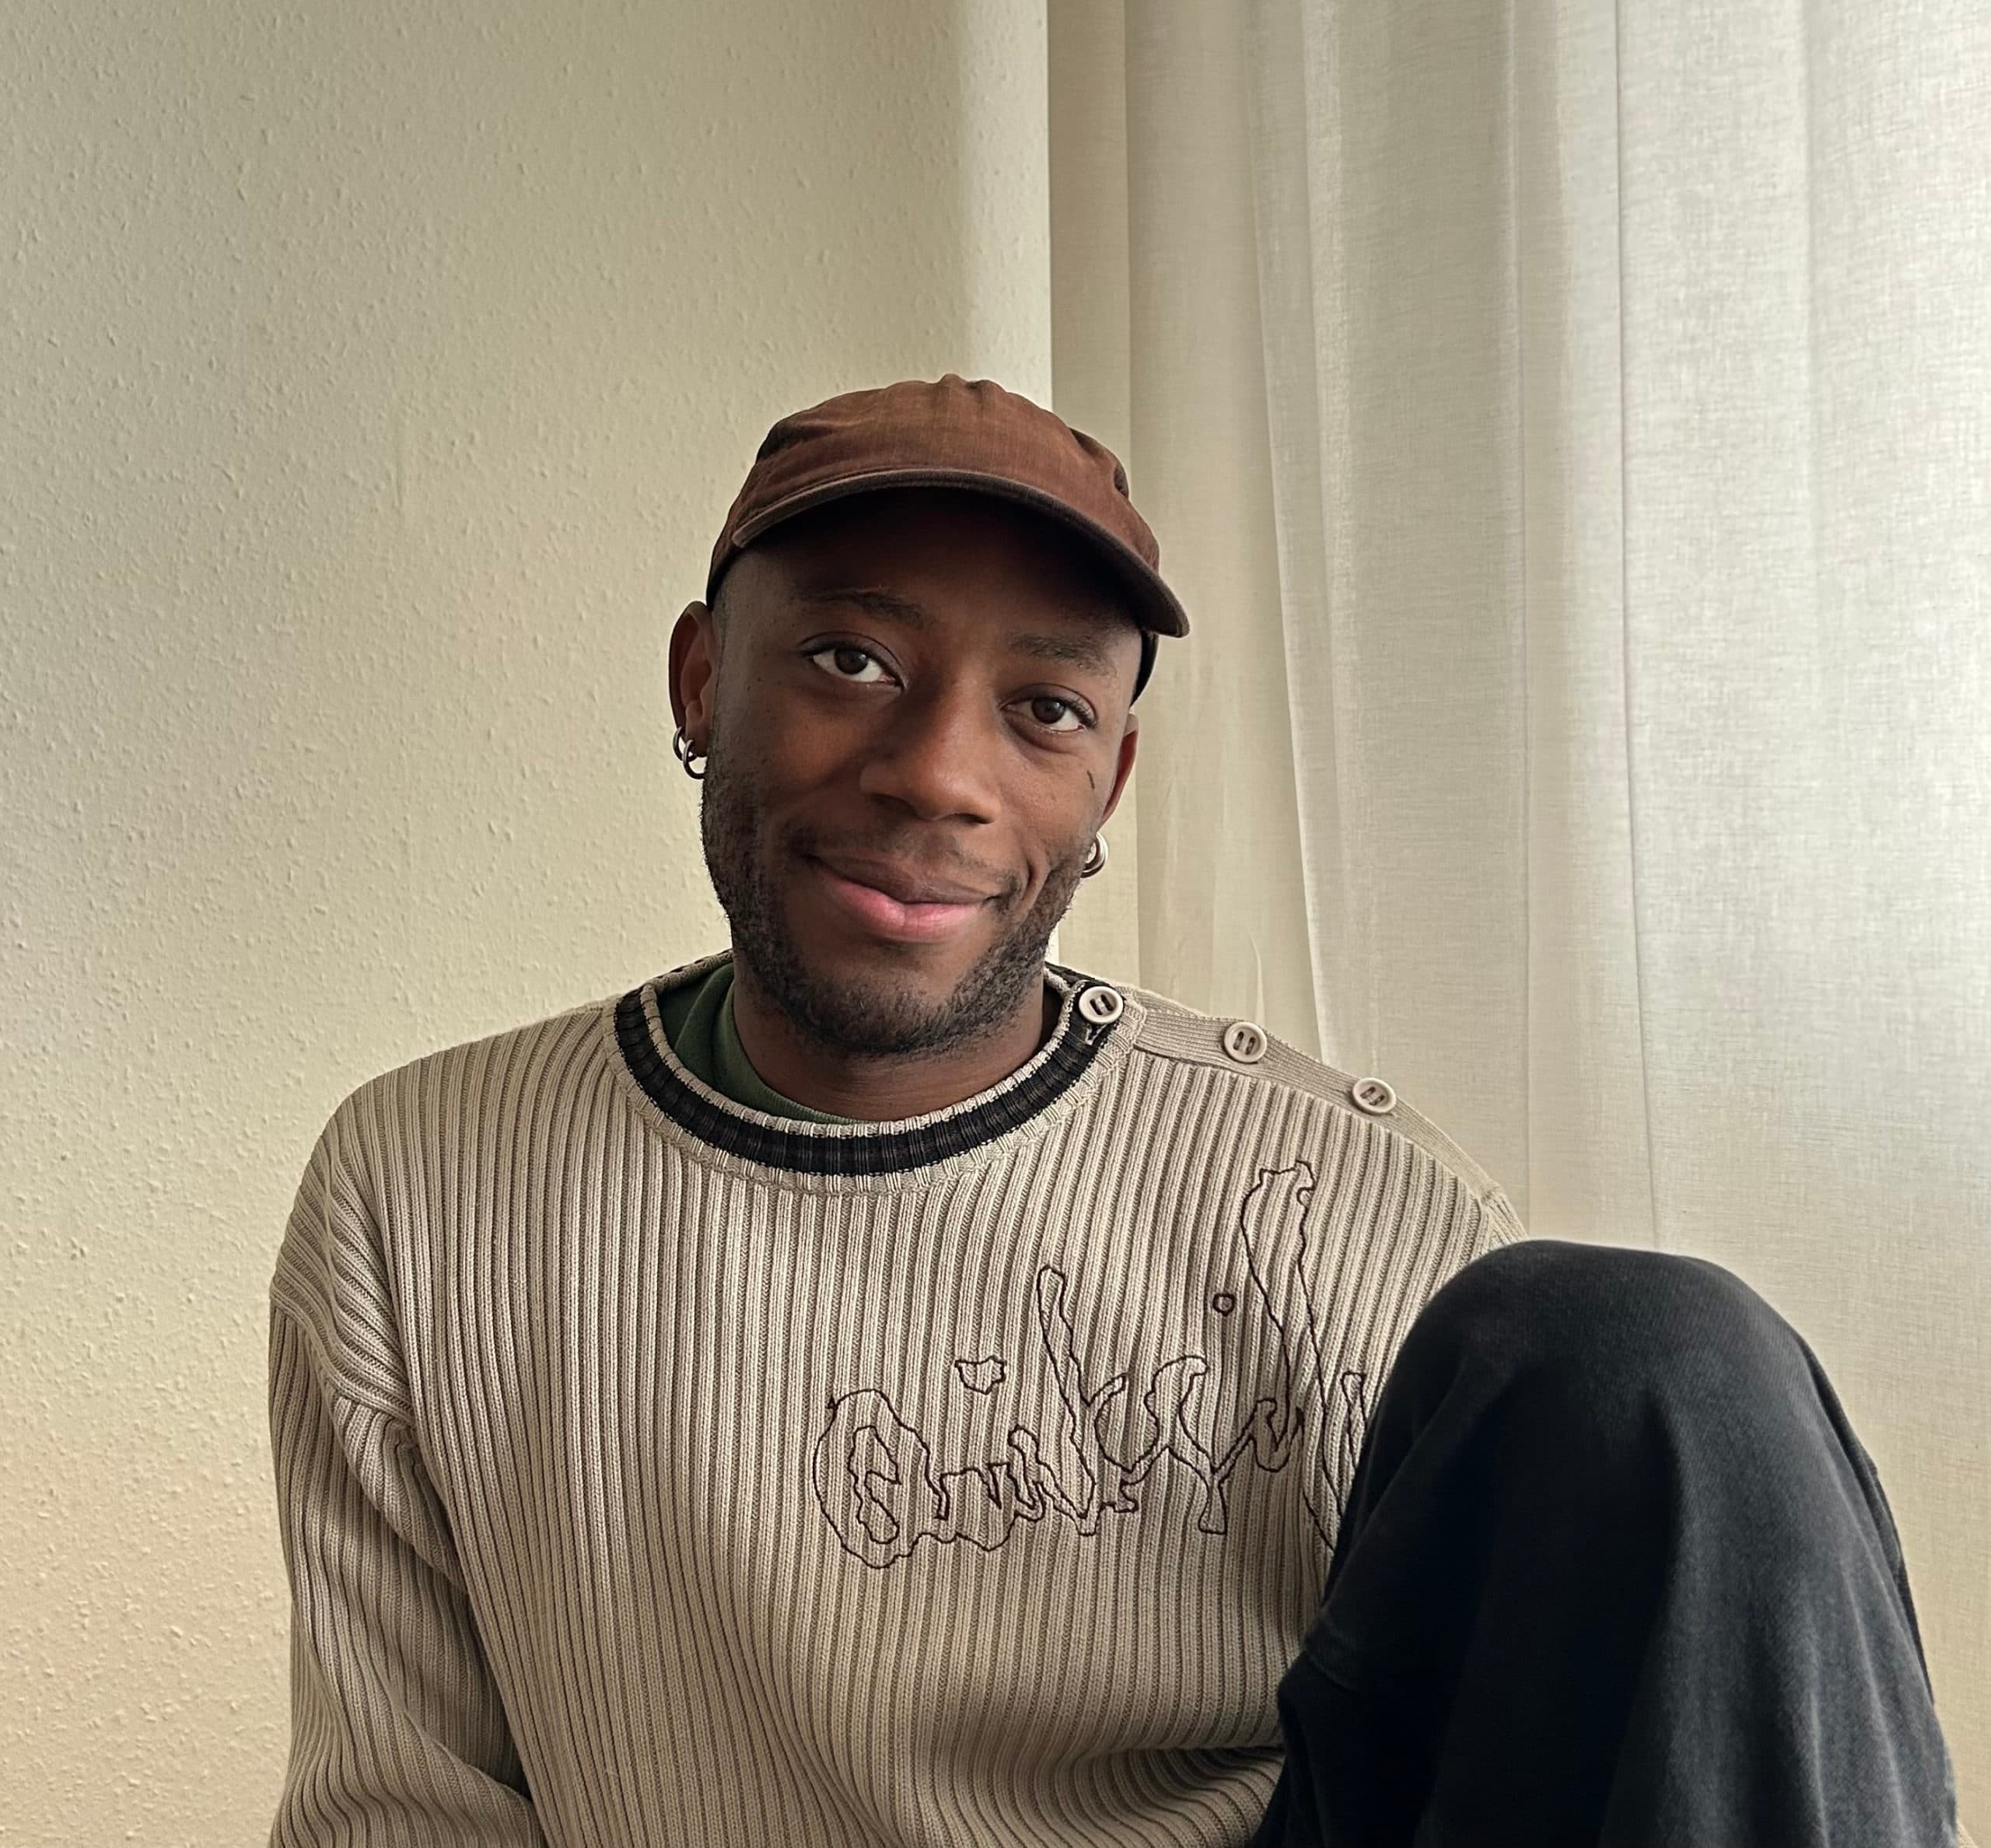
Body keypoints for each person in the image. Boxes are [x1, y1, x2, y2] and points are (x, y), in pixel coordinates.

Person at [264, 375, 1961, 1846]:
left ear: (1107, 783)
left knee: (1649, 1352)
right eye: (848, 658)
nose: (939, 771)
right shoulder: (421, 1193)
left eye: (1044, 709)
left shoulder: (1338, 1200)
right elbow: (406, 1810)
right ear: (703, 682)